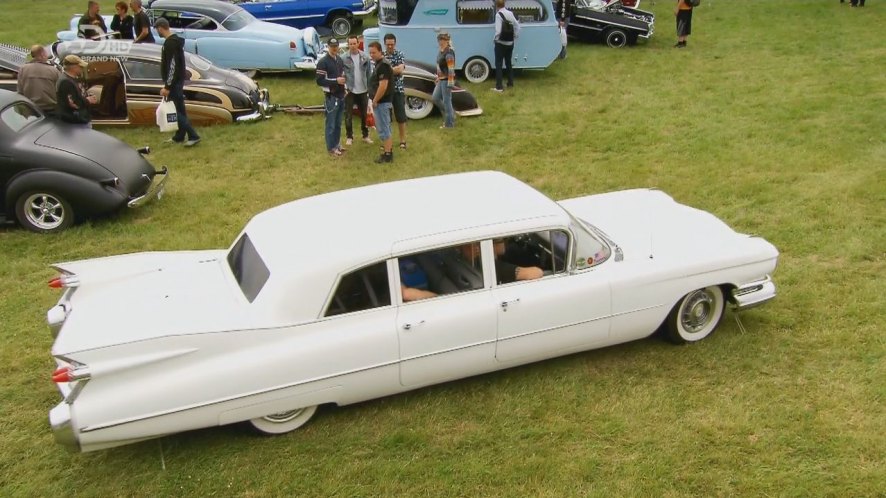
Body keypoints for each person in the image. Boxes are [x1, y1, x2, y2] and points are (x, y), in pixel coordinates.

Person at [156, 18, 201, 146]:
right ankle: (179, 136)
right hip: (178, 81)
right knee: (180, 110)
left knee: (176, 111)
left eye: (157, 29)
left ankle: (193, 135)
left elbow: (172, 66)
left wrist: (167, 86)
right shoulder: (175, 42)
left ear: (160, 28)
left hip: (174, 84)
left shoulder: (170, 44)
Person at [316, 38, 346, 157]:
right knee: (331, 124)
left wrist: (345, 88)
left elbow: (342, 76)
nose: (334, 48)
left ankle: (337, 144)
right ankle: (331, 148)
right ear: (328, 47)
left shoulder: (339, 59)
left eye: (336, 46)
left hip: (341, 94)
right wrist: (336, 81)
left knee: (338, 123)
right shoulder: (323, 62)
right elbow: (319, 81)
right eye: (332, 46)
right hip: (331, 97)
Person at [342, 36, 372, 147]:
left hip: (363, 90)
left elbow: (369, 73)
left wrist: (370, 88)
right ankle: (349, 137)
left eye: (354, 43)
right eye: (350, 44)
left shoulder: (365, 57)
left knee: (364, 114)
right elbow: (341, 74)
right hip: (350, 90)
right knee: (348, 115)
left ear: (358, 43)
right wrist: (344, 88)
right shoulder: (343, 58)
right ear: (348, 45)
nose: (353, 46)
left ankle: (365, 135)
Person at [367, 41, 394, 164]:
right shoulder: (379, 64)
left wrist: (375, 100)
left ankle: (387, 154)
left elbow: (383, 86)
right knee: (384, 127)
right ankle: (387, 150)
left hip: (382, 102)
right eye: (370, 52)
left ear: (380, 51)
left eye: (374, 52)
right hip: (380, 101)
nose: (371, 55)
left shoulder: (383, 65)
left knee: (383, 128)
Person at [17, 45, 60, 117]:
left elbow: (20, 90)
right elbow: (60, 90)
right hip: (51, 110)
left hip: (30, 109)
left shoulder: (23, 69)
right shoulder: (53, 70)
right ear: (42, 55)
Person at [383, 33, 408, 150]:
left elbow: (400, 69)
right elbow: (378, 72)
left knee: (401, 116)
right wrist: (394, 70)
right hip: (385, 91)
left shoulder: (400, 54)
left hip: (398, 89)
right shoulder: (381, 56)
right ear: (384, 44)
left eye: (392, 44)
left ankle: (403, 140)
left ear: (395, 43)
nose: (390, 47)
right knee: (386, 118)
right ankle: (388, 141)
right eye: (388, 44)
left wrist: (386, 72)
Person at [56, 55, 96, 126]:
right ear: (74, 67)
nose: (82, 68)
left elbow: (78, 95)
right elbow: (74, 104)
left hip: (79, 119)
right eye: (80, 66)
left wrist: (87, 97)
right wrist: (88, 100)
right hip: (75, 121)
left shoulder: (72, 79)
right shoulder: (66, 82)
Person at [493, 0, 520, 93]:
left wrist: (495, 39)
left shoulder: (498, 15)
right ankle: (510, 83)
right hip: (510, 43)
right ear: (504, 4)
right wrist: (515, 37)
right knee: (508, 63)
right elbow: (517, 26)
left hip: (501, 43)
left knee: (499, 64)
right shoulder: (510, 13)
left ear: (497, 6)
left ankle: (499, 87)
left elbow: (498, 31)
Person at [431, 32, 455, 129]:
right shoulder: (441, 51)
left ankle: (449, 124)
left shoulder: (449, 52)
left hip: (446, 80)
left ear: (447, 41)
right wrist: (438, 77)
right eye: (440, 40)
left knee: (446, 101)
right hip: (441, 79)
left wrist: (450, 82)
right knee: (435, 98)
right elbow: (439, 66)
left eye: (443, 40)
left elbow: (451, 68)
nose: (441, 42)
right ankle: (451, 114)